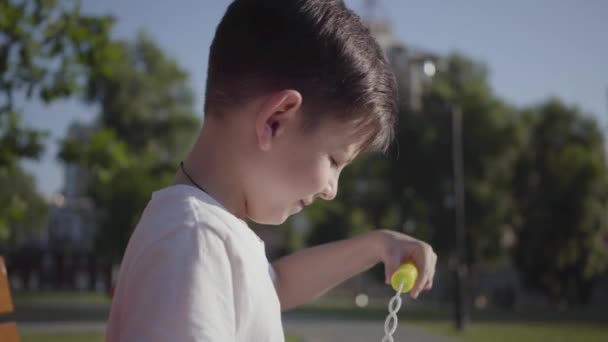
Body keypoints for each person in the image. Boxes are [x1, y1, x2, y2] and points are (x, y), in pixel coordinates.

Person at [105, 0, 437, 341]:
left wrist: (378, 246)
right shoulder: (193, 240)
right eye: (335, 161)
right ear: (276, 122)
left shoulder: (211, 232)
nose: (331, 190)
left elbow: (275, 284)